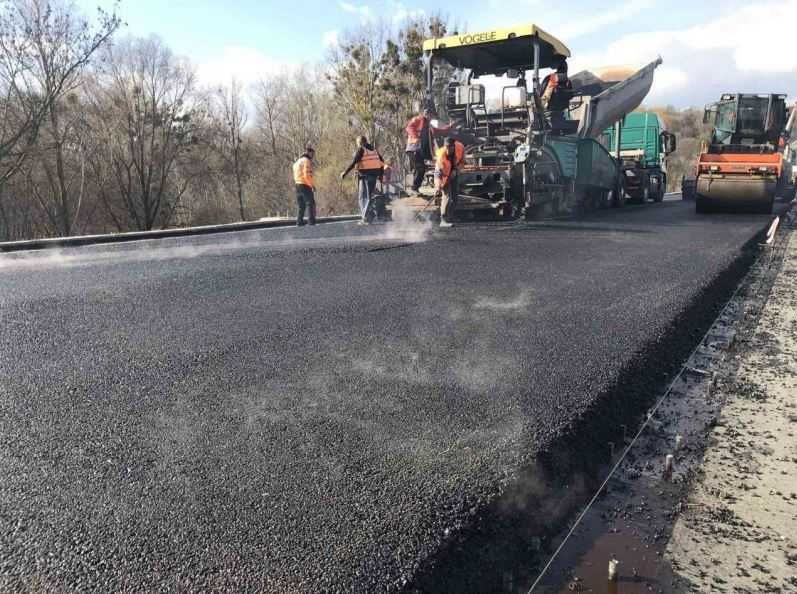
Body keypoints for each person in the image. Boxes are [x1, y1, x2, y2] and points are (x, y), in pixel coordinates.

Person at [405, 107, 456, 195]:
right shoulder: (418, 119)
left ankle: (415, 188)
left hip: (421, 151)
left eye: (431, 115)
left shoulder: (429, 126)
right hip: (414, 148)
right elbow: (409, 127)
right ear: (426, 114)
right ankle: (414, 188)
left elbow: (439, 131)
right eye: (430, 115)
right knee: (420, 168)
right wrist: (416, 137)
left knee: (421, 168)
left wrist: (449, 127)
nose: (431, 117)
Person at [340, 136, 385, 225]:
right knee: (369, 197)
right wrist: (381, 175)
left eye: (357, 143)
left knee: (363, 197)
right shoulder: (374, 150)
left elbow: (354, 162)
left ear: (360, 143)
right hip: (374, 176)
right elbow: (382, 161)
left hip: (365, 176)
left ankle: (366, 218)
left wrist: (345, 173)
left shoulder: (361, 149)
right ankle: (369, 216)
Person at [434, 137, 465, 228]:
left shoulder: (460, 148)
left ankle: (450, 217)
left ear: (453, 146)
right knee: (446, 196)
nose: (448, 149)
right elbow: (437, 174)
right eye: (446, 147)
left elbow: (463, 162)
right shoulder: (441, 157)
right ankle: (443, 219)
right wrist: (438, 186)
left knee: (455, 198)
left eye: (450, 147)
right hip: (444, 176)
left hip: (454, 173)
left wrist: (456, 170)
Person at [541, 58, 573, 124]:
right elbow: (571, 95)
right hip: (564, 111)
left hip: (551, 111)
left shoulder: (552, 78)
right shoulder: (567, 80)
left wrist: (540, 107)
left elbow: (546, 96)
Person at [293, 145, 316, 227]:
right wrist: (311, 185)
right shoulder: (306, 161)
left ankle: (299, 221)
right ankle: (311, 221)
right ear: (309, 153)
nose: (313, 156)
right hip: (304, 184)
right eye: (312, 154)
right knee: (310, 203)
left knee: (301, 205)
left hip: (297, 184)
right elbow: (307, 175)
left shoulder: (297, 162)